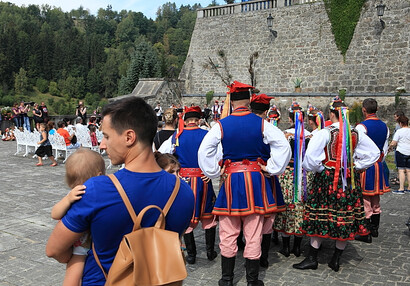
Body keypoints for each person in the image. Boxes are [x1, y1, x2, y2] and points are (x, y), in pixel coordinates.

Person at [46, 96, 195, 285]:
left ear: (129, 137)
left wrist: (76, 258)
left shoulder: (97, 190)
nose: (102, 144)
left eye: (107, 136)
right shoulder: (184, 192)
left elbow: (54, 249)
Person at [198, 81, 291, 286]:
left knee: (228, 232)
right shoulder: (262, 124)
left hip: (231, 180)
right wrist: (272, 168)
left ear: (231, 101)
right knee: (254, 232)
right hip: (256, 181)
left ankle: (227, 279)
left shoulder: (221, 125)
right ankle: (252, 281)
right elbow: (284, 146)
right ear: (249, 100)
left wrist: (214, 171)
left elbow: (204, 152)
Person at [293, 96, 380, 272]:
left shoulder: (325, 132)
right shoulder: (355, 132)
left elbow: (310, 159)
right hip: (348, 180)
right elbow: (374, 153)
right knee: (345, 217)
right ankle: (336, 259)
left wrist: (319, 169)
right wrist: (356, 166)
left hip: (327, 180)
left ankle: (312, 258)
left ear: (332, 114)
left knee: (319, 216)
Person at [159, 106, 218, 265]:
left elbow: (161, 153)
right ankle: (211, 252)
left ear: (185, 121)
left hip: (184, 182)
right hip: (203, 180)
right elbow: (219, 154)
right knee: (208, 216)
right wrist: (211, 172)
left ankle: (191, 255)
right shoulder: (207, 135)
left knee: (188, 217)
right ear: (198, 120)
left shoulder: (176, 137)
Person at [51, 148, 105, 286]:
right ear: (99, 175)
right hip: (80, 243)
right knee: (74, 272)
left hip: (90, 242)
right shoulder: (74, 196)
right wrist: (68, 200)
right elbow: (54, 214)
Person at [250, 93, 286, 268]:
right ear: (265, 111)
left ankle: (249, 251)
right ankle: (262, 256)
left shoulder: (243, 126)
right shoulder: (268, 127)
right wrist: (271, 168)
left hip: (244, 176)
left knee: (247, 216)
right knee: (266, 219)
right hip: (264, 177)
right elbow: (283, 149)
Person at [273, 102, 310, 260]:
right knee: (300, 209)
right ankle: (297, 246)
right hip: (302, 176)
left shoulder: (283, 134)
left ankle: (286, 246)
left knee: (286, 208)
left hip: (287, 175)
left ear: (289, 118)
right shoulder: (309, 134)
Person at [354, 98, 390, 243]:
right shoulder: (385, 126)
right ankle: (374, 229)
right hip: (379, 164)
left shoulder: (361, 127)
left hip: (366, 165)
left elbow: (357, 147)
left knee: (365, 198)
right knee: (375, 198)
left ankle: (365, 232)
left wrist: (357, 163)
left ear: (364, 110)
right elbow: (385, 148)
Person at [389, 115, 410, 194]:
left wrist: (390, 147)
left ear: (401, 123)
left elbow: (394, 142)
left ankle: (401, 188)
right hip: (409, 151)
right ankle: (409, 187)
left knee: (401, 170)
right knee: (408, 170)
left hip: (401, 151)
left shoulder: (399, 131)